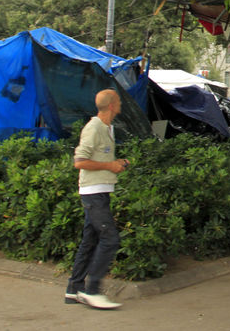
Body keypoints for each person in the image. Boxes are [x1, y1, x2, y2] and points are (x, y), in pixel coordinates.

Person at [66, 89, 130, 310]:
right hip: (93, 193)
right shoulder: (93, 128)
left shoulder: (107, 128)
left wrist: (116, 164)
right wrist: (109, 166)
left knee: (90, 240)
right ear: (112, 105)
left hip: (100, 191)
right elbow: (80, 161)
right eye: (119, 100)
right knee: (110, 238)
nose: (121, 103)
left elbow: (99, 159)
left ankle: (73, 289)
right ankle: (92, 291)